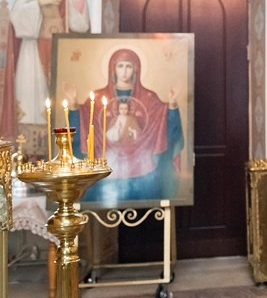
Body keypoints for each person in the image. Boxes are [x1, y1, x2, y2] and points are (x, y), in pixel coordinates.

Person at [70, 47, 184, 202]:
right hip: (105, 168)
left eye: (129, 66)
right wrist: (73, 105)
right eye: (120, 66)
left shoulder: (149, 97)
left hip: (142, 168)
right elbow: (82, 127)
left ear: (136, 70)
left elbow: (166, 128)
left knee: (149, 191)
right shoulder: (97, 98)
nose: (124, 71)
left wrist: (172, 104)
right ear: (113, 69)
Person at [3, 0, 90, 134]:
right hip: (33, 50)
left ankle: (59, 141)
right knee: (33, 97)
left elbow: (80, 24)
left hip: (59, 51)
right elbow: (16, 17)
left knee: (60, 96)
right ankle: (29, 145)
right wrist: (39, 2)